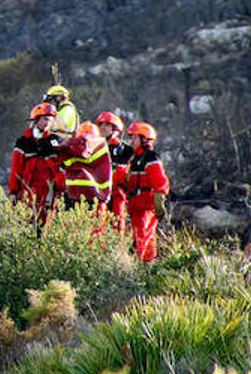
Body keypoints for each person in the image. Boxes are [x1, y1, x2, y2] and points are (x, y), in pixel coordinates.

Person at [9, 103, 62, 230]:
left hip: (48, 192)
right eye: (45, 119)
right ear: (36, 120)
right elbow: (16, 169)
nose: (47, 123)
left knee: (46, 227)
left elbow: (60, 168)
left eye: (50, 120)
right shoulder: (23, 141)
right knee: (25, 225)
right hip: (27, 190)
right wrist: (13, 192)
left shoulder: (56, 141)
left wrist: (60, 190)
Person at [124, 121, 170, 262]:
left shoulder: (150, 157)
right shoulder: (135, 158)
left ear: (144, 139)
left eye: (134, 138)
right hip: (136, 205)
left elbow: (160, 182)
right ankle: (148, 267)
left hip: (145, 206)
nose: (131, 141)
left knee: (142, 236)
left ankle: (139, 267)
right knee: (146, 237)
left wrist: (158, 201)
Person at [54, 120, 113, 211]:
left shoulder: (91, 144)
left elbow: (83, 145)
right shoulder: (76, 149)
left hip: (89, 198)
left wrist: (61, 145)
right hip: (86, 197)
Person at [96, 111, 134, 230]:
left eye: (106, 125)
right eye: (100, 125)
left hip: (117, 192)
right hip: (98, 191)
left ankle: (117, 247)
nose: (102, 128)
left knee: (118, 224)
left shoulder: (126, 150)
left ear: (115, 129)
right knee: (97, 224)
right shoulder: (93, 146)